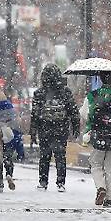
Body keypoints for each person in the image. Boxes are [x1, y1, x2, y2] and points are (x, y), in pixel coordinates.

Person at [80, 72, 111, 208]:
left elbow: (84, 114)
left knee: (95, 164)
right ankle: (109, 198)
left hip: (97, 135)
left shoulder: (92, 96)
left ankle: (101, 187)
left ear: (100, 79)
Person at [29, 63, 80, 192]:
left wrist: (33, 132)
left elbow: (35, 114)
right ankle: (61, 182)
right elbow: (73, 110)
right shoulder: (65, 91)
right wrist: (76, 126)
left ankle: (43, 181)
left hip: (44, 127)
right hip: (61, 128)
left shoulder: (39, 93)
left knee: (44, 155)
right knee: (60, 155)